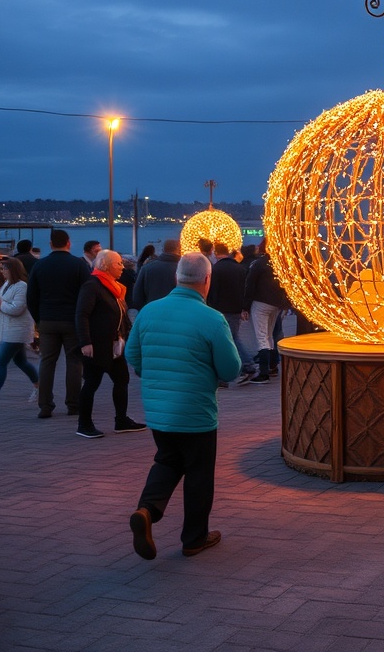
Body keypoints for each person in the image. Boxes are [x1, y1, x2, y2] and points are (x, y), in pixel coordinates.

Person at [127, 253, 242, 560]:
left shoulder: (149, 312)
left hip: (157, 409)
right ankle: (194, 538)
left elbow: (133, 356)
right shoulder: (212, 319)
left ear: (176, 278)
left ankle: (147, 511)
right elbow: (231, 369)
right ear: (207, 280)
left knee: (167, 459)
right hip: (196, 411)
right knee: (199, 473)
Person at [74, 250, 145, 438]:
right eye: (118, 264)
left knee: (122, 379)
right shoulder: (92, 286)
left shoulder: (114, 287)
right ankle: (84, 424)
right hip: (97, 345)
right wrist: (85, 342)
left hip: (115, 345)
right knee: (92, 383)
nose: (123, 267)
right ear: (106, 265)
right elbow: (82, 315)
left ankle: (121, 420)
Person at [26, 229, 90, 417]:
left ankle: (45, 405)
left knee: (46, 362)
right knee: (74, 361)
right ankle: (73, 404)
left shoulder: (40, 265)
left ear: (51, 244)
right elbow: (87, 294)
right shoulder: (78, 265)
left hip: (47, 320)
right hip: (72, 320)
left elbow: (31, 297)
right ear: (68, 243)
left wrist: (39, 318)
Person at [0, 258, 38, 409]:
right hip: (9, 329)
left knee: (0, 361)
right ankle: (40, 387)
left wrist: (1, 304)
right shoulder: (7, 284)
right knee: (21, 361)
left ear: (13, 269)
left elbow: (16, 309)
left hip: (17, 330)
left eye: (5, 268)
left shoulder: (21, 286)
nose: (2, 271)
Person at [206, 242, 255, 385]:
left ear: (216, 253)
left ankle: (247, 365)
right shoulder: (239, 268)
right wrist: (244, 308)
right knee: (232, 338)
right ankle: (241, 368)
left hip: (221, 309)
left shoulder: (216, 269)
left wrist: (211, 306)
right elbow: (245, 289)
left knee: (229, 340)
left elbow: (213, 292)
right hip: (236, 309)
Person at [242, 237, 289, 384]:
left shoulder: (259, 264)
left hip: (260, 303)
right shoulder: (282, 264)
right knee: (269, 336)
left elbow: (250, 285)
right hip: (276, 304)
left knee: (262, 337)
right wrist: (285, 304)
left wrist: (245, 306)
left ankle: (263, 373)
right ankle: (272, 366)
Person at [131, 239, 180, 309]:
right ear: (178, 249)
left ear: (163, 249)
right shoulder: (184, 269)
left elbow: (137, 297)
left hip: (152, 312)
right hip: (178, 313)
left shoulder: (147, 268)